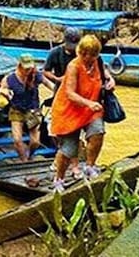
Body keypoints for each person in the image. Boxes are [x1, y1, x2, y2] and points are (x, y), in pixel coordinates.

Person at [50, 34, 116, 192]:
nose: (88, 57)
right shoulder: (74, 66)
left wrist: (111, 81)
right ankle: (58, 178)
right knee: (69, 149)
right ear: (80, 52)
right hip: (69, 110)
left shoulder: (98, 63)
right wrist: (88, 103)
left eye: (92, 54)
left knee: (98, 131)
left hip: (91, 109)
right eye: (85, 54)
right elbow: (70, 93)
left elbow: (107, 77)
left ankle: (89, 166)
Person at [43, 26, 83, 178]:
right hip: (60, 96)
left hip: (78, 97)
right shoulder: (55, 53)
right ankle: (59, 157)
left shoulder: (80, 54)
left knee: (75, 133)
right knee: (55, 131)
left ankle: (75, 166)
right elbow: (46, 71)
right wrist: (57, 79)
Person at [0, 54, 54, 162]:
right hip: (17, 110)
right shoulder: (10, 79)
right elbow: (1, 91)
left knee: (35, 142)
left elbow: (49, 84)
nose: (28, 70)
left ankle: (29, 154)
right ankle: (24, 160)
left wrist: (58, 93)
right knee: (17, 139)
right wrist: (4, 94)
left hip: (33, 110)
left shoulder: (36, 75)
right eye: (26, 68)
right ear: (20, 66)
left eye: (30, 68)